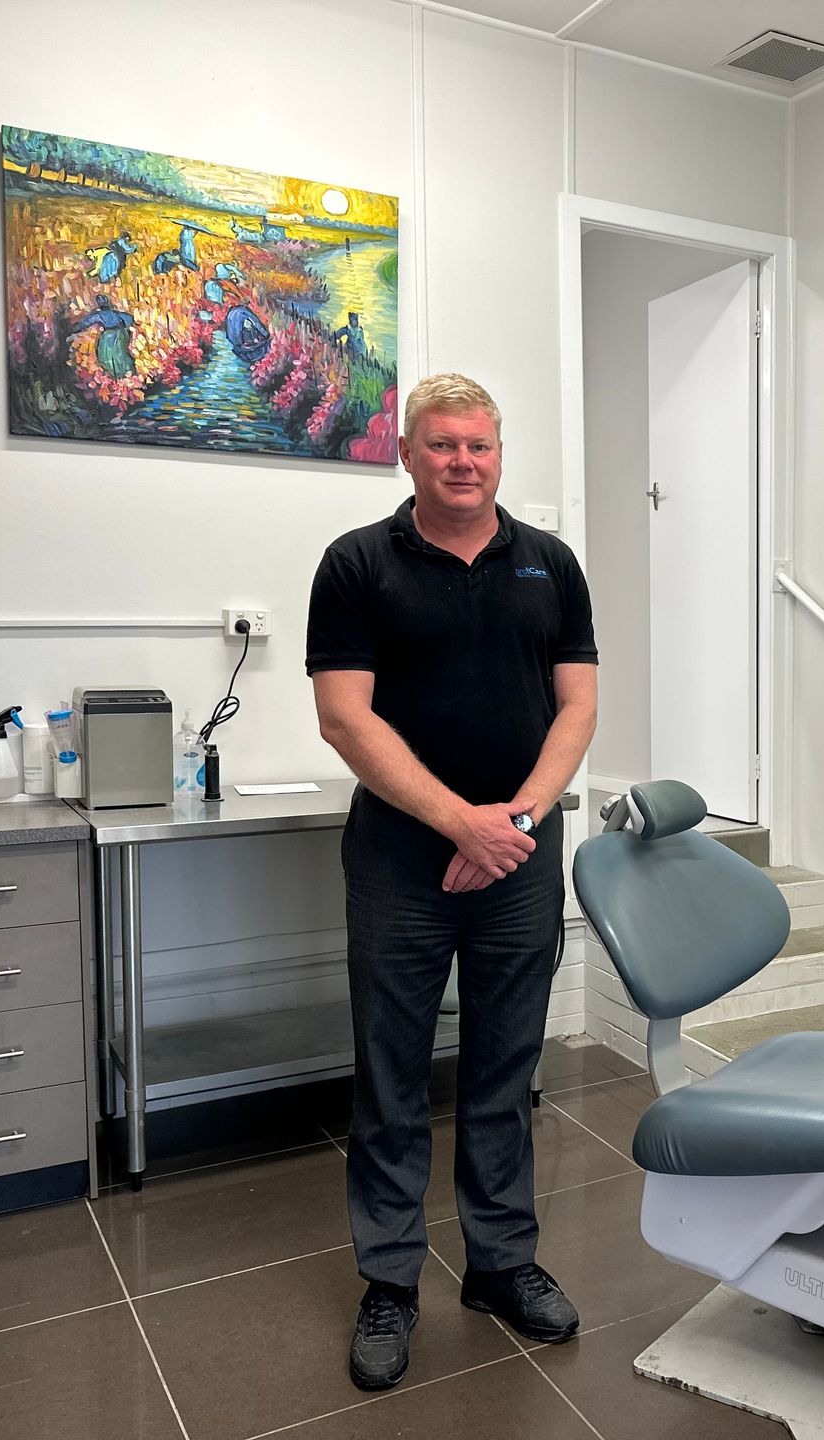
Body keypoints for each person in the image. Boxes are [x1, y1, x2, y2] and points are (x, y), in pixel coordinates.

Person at [307, 373, 598, 1392]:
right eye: (443, 445)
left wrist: (511, 824)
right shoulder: (356, 565)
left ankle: (501, 1263)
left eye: (479, 445)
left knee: (505, 1069)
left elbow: (577, 709)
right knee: (391, 1076)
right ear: (408, 452)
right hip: (401, 860)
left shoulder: (550, 565)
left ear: (500, 454)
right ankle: (390, 1279)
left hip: (517, 860)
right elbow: (346, 718)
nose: (463, 461)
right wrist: (458, 821)